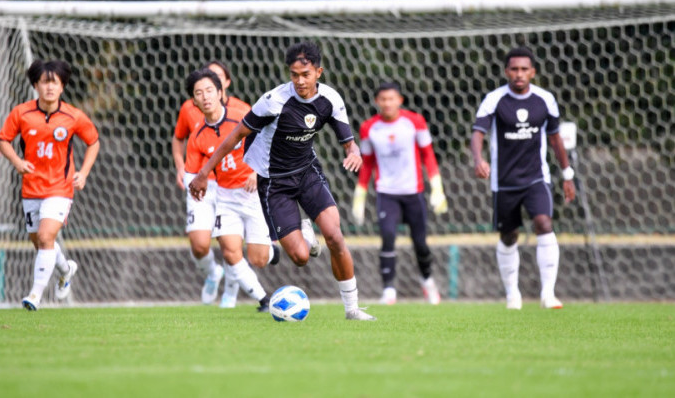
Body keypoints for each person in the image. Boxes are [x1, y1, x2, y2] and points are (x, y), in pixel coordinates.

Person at [189, 41, 375, 321]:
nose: (300, 81)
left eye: (306, 74)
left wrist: (354, 152)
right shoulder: (274, 101)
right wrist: (204, 173)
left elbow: (348, 142)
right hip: (274, 183)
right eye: (294, 75)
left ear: (319, 72)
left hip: (308, 172)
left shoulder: (331, 100)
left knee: (335, 236)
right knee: (300, 258)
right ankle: (304, 229)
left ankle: (352, 310)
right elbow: (235, 136)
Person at [470, 46, 576, 310]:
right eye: (514, 69)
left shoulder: (544, 99)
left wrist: (567, 174)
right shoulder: (494, 100)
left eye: (524, 69)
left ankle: (548, 294)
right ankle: (512, 295)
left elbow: (555, 138)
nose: (519, 74)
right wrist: (478, 159)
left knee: (543, 222)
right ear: (507, 71)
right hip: (504, 181)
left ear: (533, 72)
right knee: (509, 236)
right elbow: (478, 132)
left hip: (536, 177)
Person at [0, 59, 100, 311]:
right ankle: (66, 270)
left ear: (62, 86)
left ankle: (34, 295)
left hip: (60, 188)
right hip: (31, 189)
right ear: (35, 85)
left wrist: (84, 173)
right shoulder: (21, 113)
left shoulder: (73, 116)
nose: (50, 88)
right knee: (41, 242)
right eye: (45, 82)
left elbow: (94, 142)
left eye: (55, 83)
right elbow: (3, 140)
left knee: (45, 237)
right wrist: (16, 162)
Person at [184, 68, 278, 311]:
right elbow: (194, 175)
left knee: (258, 259)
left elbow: (271, 142)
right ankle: (264, 299)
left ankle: (274, 252)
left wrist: (257, 173)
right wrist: (196, 186)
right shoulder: (196, 136)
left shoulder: (242, 116)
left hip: (253, 194)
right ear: (193, 101)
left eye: (209, 91)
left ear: (220, 92)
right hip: (225, 197)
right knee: (230, 252)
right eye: (198, 93)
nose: (205, 97)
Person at [352, 82, 448, 305]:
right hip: (387, 192)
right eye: (383, 99)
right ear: (377, 101)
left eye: (391, 98)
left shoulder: (415, 122)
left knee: (420, 243)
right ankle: (388, 290)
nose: (387, 103)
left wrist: (437, 187)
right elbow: (367, 163)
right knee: (387, 237)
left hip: (414, 192)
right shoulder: (369, 128)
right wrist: (360, 195)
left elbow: (428, 155)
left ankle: (428, 281)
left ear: (400, 100)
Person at [172, 60, 248, 304]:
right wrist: (180, 168)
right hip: (200, 182)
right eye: (200, 87)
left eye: (215, 79)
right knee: (199, 244)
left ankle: (231, 292)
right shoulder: (189, 108)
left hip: (233, 183)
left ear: (224, 84)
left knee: (230, 242)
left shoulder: (242, 110)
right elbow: (178, 139)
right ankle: (213, 273)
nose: (205, 92)